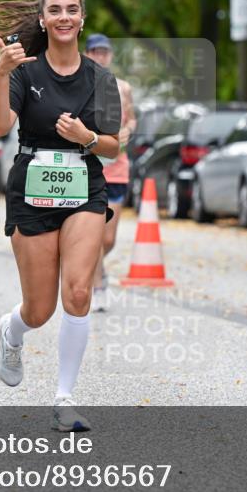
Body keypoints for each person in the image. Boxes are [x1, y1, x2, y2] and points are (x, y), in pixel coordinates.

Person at [0, 0, 122, 432]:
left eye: (72, 9)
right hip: (32, 187)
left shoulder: (101, 79)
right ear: (43, 20)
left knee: (79, 293)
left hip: (85, 187)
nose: (64, 17)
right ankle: (11, 331)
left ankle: (65, 398)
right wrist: (1, 72)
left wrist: (87, 138)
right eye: (55, 10)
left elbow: (112, 148)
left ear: (82, 19)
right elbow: (0, 127)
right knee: (39, 309)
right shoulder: (24, 71)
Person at [83, 34, 136, 312]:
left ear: (110, 55)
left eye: (105, 52)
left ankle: (95, 270)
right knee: (93, 236)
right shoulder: (80, 85)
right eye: (95, 52)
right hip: (89, 169)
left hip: (117, 168)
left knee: (108, 238)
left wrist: (129, 130)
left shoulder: (123, 87)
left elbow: (132, 117)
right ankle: (98, 284)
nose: (101, 56)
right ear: (88, 54)